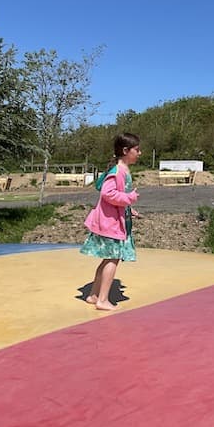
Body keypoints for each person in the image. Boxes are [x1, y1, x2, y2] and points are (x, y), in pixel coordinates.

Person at [80, 132, 142, 310]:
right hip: (110, 224)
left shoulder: (122, 170)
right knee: (112, 259)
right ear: (125, 150)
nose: (139, 153)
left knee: (108, 258)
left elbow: (116, 198)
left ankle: (93, 295)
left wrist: (129, 210)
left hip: (112, 221)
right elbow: (108, 194)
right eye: (136, 150)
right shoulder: (118, 171)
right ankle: (102, 300)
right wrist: (129, 198)